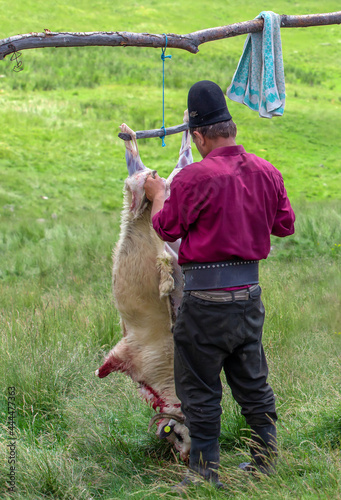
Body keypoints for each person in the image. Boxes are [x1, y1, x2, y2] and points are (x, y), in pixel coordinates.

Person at [144, 80, 295, 490]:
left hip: (205, 301)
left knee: (199, 388)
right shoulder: (267, 171)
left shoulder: (194, 178)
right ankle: (265, 461)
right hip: (249, 298)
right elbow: (285, 225)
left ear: (197, 135)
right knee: (252, 382)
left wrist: (158, 192)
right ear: (231, 128)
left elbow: (165, 226)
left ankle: (204, 475)